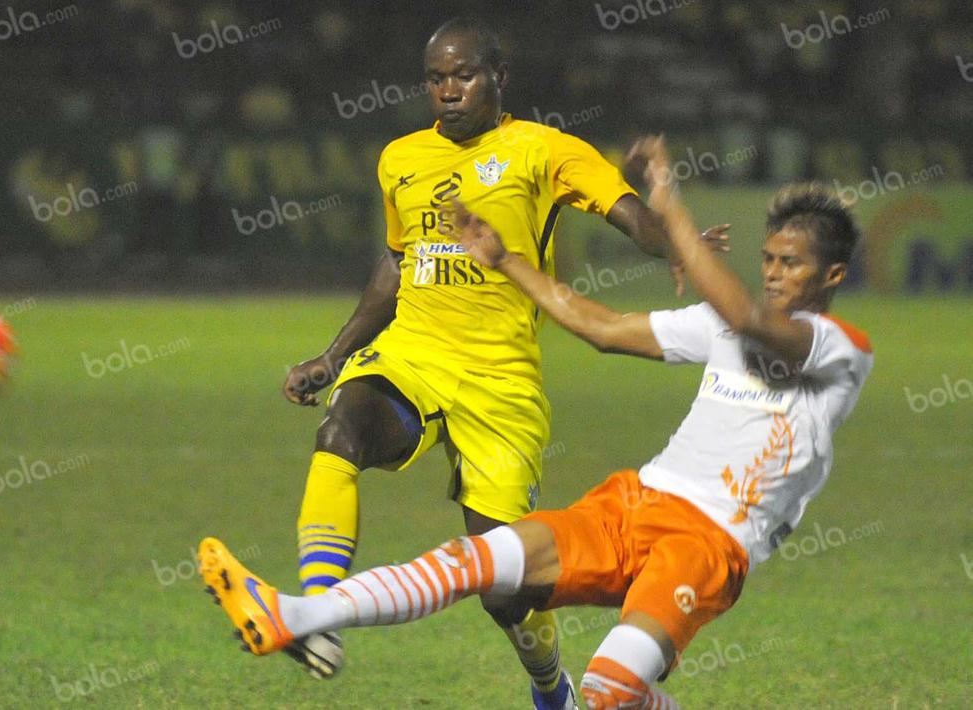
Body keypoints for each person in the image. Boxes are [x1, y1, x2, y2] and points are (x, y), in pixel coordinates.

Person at [203, 136, 873, 709]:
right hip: (635, 501)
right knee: (478, 563)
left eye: (791, 263)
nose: (774, 273)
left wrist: (667, 204)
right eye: (767, 260)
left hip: (709, 542)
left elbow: (747, 320)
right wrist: (505, 262)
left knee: (609, 688)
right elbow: (603, 327)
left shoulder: (838, 348)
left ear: (832, 274)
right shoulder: (722, 324)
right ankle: (294, 614)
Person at [277, 17, 679, 705]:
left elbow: (636, 224)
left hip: (500, 381)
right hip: (413, 352)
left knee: (504, 587)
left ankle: (549, 687)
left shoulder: (544, 150)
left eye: (462, 75)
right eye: (436, 79)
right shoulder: (400, 157)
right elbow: (397, 266)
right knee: (340, 431)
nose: (448, 90)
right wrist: (333, 355)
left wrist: (671, 227)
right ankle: (316, 613)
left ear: (500, 77)